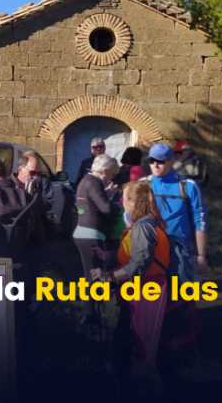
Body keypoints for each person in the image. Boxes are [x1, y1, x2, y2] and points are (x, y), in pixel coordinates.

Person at [90, 180, 176, 397]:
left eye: (124, 198)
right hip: (141, 291)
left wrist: (109, 277)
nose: (121, 202)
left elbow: (140, 263)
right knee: (137, 341)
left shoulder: (144, 227)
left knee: (138, 342)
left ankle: (130, 387)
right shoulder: (147, 223)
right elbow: (132, 255)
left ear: (135, 202)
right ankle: (145, 384)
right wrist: (107, 258)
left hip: (146, 292)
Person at [142, 143, 208, 282]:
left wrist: (201, 256)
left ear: (171, 161)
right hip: (150, 249)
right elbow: (129, 217)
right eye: (151, 160)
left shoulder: (188, 186)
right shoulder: (142, 185)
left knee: (181, 292)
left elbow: (200, 221)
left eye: (160, 161)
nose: (155, 165)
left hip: (180, 251)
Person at [73, 154, 120, 331]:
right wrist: (118, 205)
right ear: (105, 171)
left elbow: (96, 202)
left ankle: (93, 314)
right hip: (91, 234)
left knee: (91, 275)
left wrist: (109, 192)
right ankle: (90, 318)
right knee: (93, 277)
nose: (111, 178)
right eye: (112, 174)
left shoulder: (87, 180)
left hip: (85, 232)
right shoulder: (93, 182)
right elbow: (106, 208)